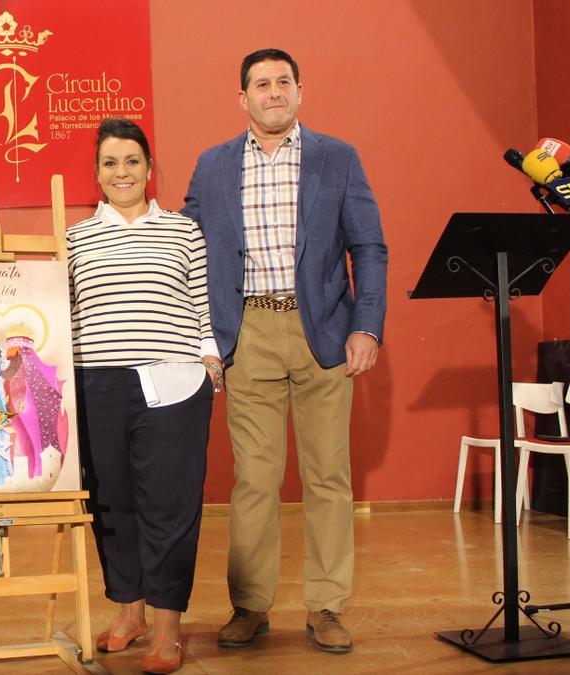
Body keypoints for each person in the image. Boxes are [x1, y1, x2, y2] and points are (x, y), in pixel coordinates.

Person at [181, 48, 387, 654]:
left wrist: (367, 326)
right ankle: (250, 606)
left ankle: (326, 607)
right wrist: (201, 335)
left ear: (301, 91)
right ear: (242, 99)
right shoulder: (212, 166)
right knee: (254, 481)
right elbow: (191, 252)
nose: (273, 92)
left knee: (328, 477)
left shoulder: (336, 158)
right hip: (246, 333)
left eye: (282, 82)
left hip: (322, 331)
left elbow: (369, 247)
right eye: (260, 84)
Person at [67, 117, 222, 674]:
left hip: (173, 381)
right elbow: (63, 313)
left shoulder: (183, 230)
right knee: (110, 503)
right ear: (97, 174)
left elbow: (203, 304)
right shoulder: (75, 238)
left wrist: (210, 360)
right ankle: (128, 611)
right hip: (95, 382)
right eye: (110, 163)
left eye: (132, 161)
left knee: (169, 505)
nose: (121, 172)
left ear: (149, 169)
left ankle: (167, 628)